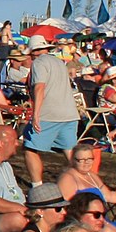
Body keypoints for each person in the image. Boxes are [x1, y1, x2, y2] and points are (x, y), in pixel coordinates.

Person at [22, 37, 80, 184]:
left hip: (49, 113)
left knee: (30, 148)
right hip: (69, 112)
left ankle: (37, 186)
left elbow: (39, 87)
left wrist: (35, 114)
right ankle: (84, 184)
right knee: (70, 152)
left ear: (33, 52)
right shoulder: (59, 62)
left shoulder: (39, 63)